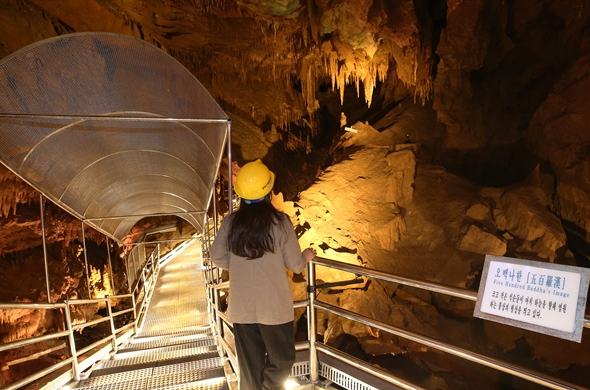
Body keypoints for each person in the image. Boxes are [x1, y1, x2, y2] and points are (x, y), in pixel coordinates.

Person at [210, 159, 316, 390]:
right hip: (274, 308)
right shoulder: (280, 222)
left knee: (249, 368)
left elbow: (216, 257)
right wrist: (306, 257)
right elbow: (295, 264)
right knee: (283, 359)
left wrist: (238, 266)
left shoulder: (231, 222)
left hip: (242, 308)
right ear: (267, 191)